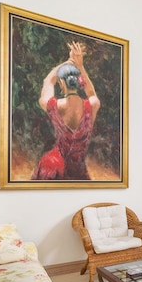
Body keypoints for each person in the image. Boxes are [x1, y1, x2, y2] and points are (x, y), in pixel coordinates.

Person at [31, 42, 101, 180]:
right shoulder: (92, 105)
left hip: (52, 166)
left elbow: (48, 81)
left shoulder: (52, 105)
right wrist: (79, 65)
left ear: (62, 84)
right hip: (78, 171)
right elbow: (91, 92)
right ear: (80, 82)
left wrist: (69, 61)